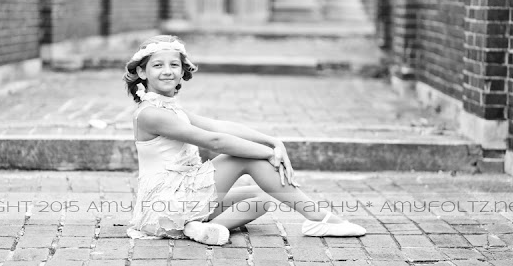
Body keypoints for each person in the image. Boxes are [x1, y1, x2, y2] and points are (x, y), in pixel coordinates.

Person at [123, 35, 366, 245]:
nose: (167, 70)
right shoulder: (151, 114)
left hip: (174, 206)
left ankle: (200, 228)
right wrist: (267, 154)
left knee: (261, 198)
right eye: (158, 65)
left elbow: (220, 125)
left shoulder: (170, 108)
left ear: (182, 71)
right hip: (167, 202)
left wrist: (272, 141)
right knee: (242, 157)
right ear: (142, 72)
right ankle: (320, 219)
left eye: (174, 64)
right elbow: (215, 140)